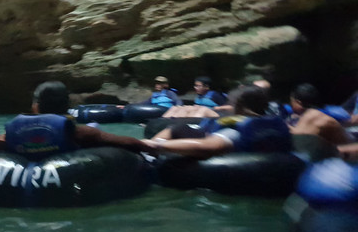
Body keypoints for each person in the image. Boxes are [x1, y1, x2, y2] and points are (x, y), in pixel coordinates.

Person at [0, 81, 154, 159]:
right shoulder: (83, 134)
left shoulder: (15, 136)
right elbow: (127, 142)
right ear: (67, 107)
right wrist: (152, 148)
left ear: (35, 107)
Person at [144, 85, 291, 159]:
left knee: (175, 128)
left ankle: (148, 156)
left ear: (240, 106)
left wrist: (156, 145)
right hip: (263, 158)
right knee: (178, 128)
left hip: (230, 157)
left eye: (232, 103)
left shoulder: (235, 128)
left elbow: (207, 146)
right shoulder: (274, 123)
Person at [288, 83, 352, 145]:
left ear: (298, 103)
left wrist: (282, 125)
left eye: (291, 101)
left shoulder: (313, 115)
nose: (290, 105)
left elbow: (299, 139)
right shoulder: (326, 111)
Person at [162, 76, 228, 118]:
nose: (196, 88)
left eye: (198, 86)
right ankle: (166, 121)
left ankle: (191, 124)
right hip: (201, 114)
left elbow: (229, 107)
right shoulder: (199, 96)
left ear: (206, 87)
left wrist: (218, 108)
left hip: (214, 115)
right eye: (195, 86)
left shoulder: (215, 95)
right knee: (179, 108)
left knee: (201, 109)